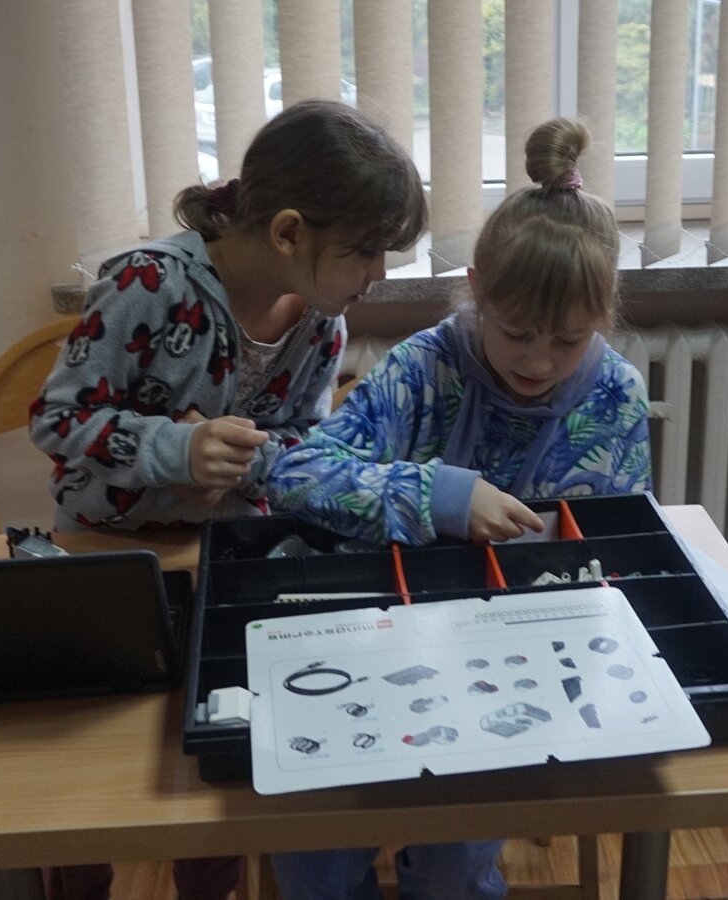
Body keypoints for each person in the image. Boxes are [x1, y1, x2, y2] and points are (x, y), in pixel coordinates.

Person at [30, 99, 425, 900]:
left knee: (218, 752)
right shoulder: (147, 283)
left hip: (228, 562)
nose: (378, 273)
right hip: (111, 557)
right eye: (364, 250)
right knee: (87, 771)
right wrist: (172, 450)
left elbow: (298, 449)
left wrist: (247, 461)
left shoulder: (320, 325)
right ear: (287, 232)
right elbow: (56, 419)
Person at [265, 117, 652, 898]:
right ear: (475, 289)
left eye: (568, 341)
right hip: (376, 636)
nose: (538, 361)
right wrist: (439, 495)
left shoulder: (614, 396)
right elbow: (294, 473)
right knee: (316, 853)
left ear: (604, 314)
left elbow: (622, 547)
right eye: (515, 333)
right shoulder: (423, 369)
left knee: (454, 865)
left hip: (516, 670)